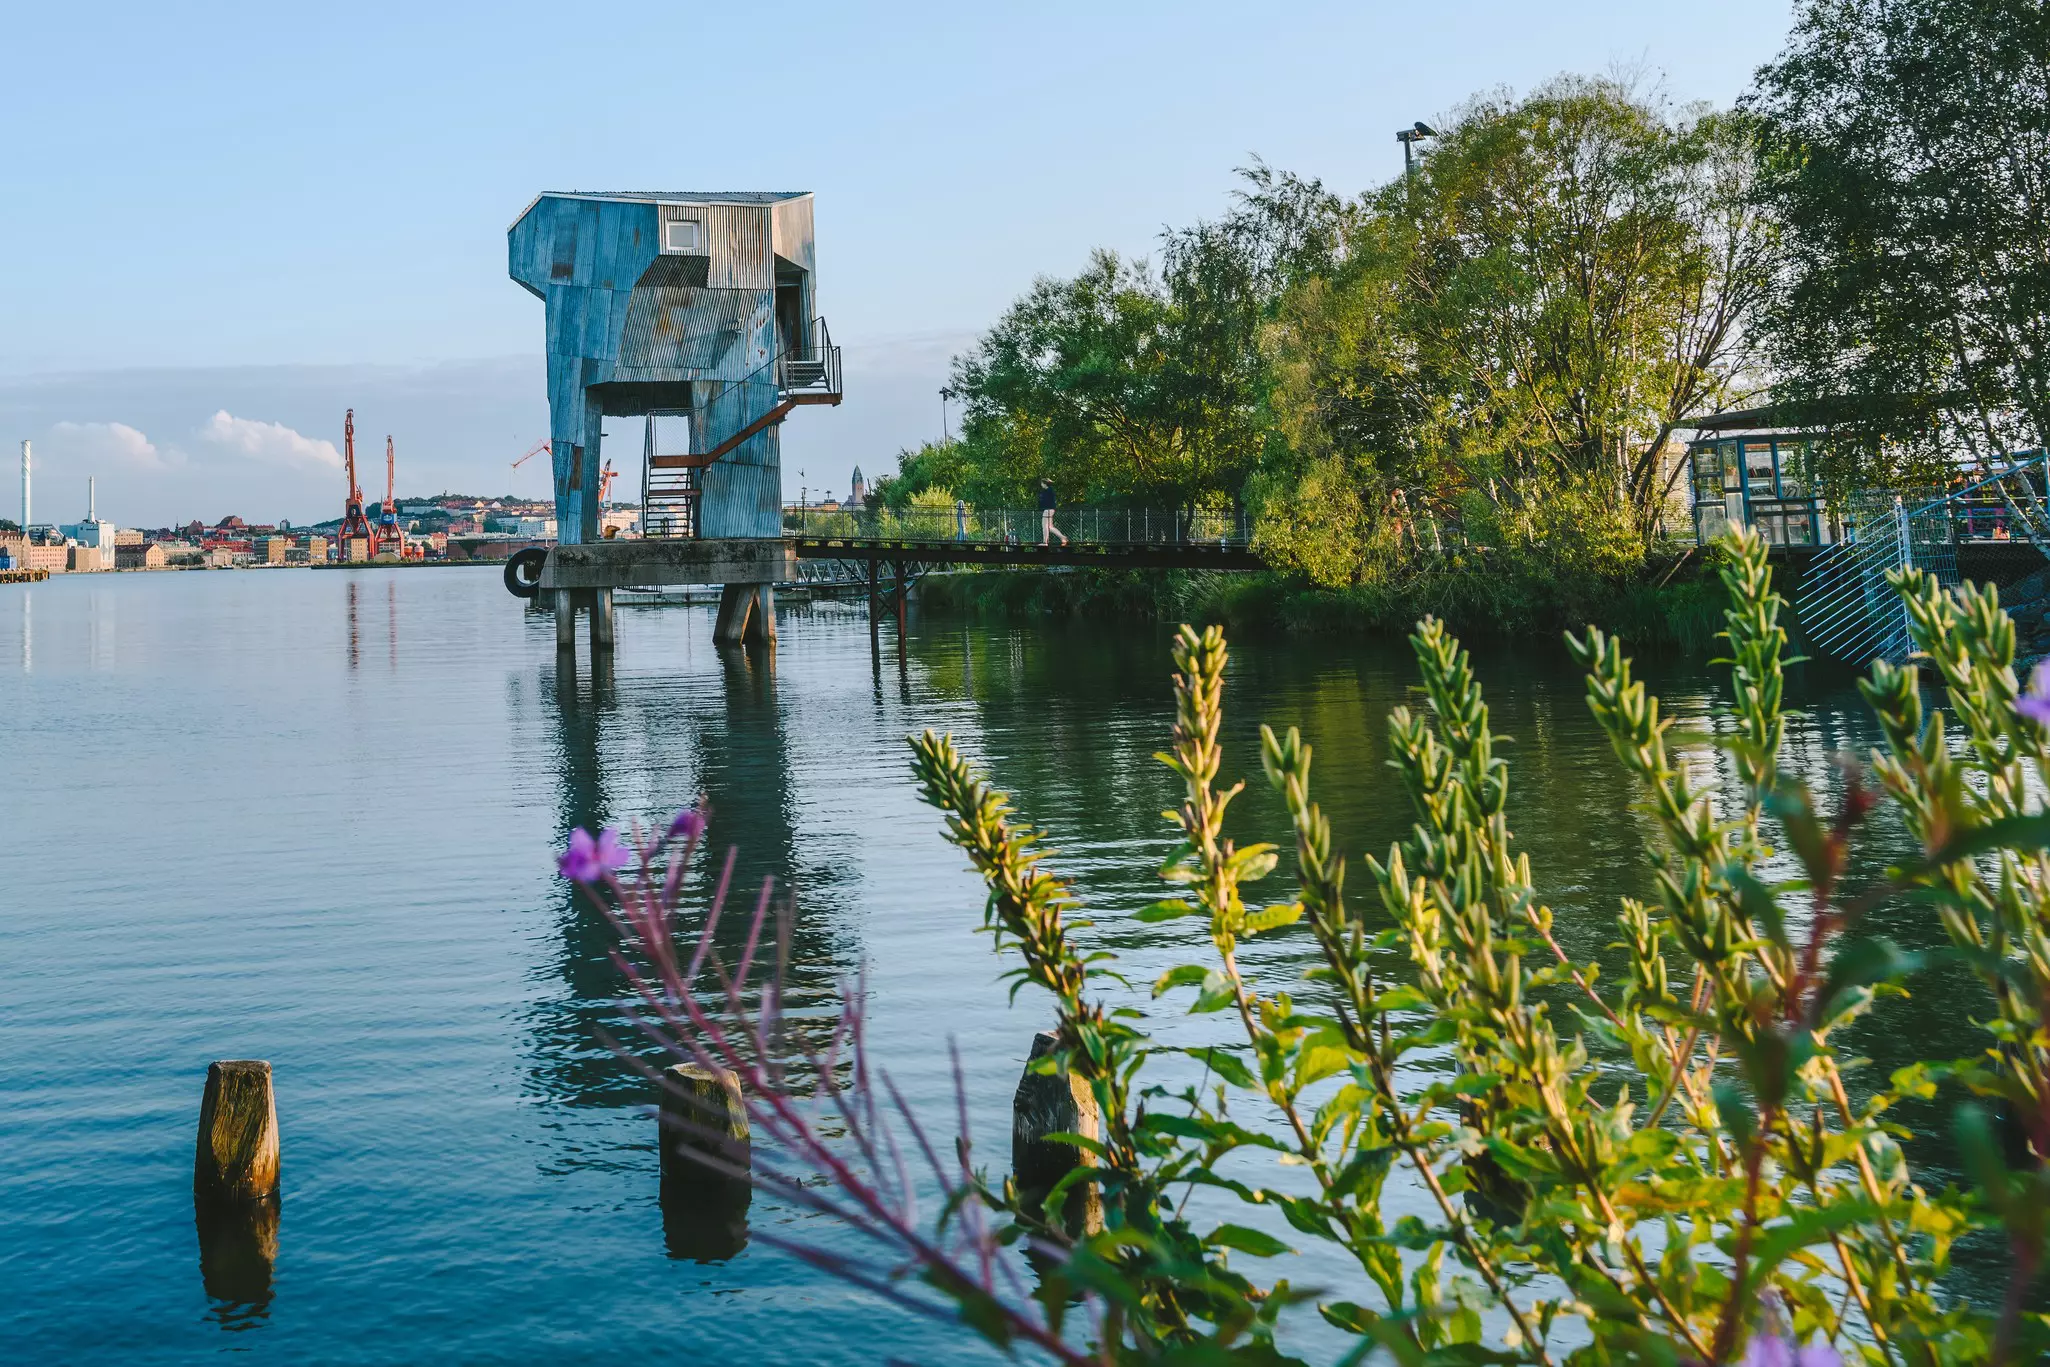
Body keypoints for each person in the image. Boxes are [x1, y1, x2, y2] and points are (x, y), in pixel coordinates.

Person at [1038, 478, 1067, 545]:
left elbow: (1043, 501)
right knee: (1050, 527)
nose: (1041, 485)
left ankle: (1045, 542)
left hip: (1047, 510)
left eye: (1042, 483)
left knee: (1044, 526)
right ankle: (1063, 537)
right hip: (1052, 510)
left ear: (1045, 484)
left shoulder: (1047, 491)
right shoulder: (1050, 490)